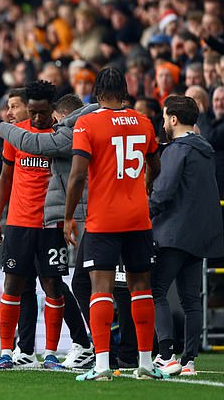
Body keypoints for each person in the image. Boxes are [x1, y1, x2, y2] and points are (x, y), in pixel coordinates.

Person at [0, 90, 94, 369]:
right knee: (14, 286)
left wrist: (70, 217)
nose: (35, 117)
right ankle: (11, 352)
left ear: (51, 110)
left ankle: (52, 352)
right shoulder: (14, 136)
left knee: (53, 286)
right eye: (29, 111)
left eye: (17, 107)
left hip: (51, 223)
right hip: (18, 223)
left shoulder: (61, 138)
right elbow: (3, 176)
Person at [63, 67, 164, 381]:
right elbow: (155, 162)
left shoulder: (88, 123)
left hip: (104, 219)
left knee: (101, 288)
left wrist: (68, 217)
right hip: (138, 218)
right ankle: (146, 364)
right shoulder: (144, 122)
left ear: (97, 93)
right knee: (140, 288)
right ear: (125, 92)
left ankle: (103, 366)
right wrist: (146, 183)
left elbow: (78, 174)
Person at [150, 96, 223, 376]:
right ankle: (189, 360)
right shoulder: (206, 149)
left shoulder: (177, 150)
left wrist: (144, 212)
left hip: (173, 232)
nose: (164, 122)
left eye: (165, 117)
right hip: (200, 235)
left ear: (173, 119)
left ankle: (166, 355)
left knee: (157, 290)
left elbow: (164, 191)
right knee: (191, 299)